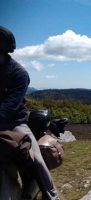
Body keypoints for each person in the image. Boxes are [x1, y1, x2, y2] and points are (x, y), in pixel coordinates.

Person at [0, 26, 59, 200]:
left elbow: (9, 107)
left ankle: (51, 194)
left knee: (37, 160)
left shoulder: (19, 74)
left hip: (15, 122)